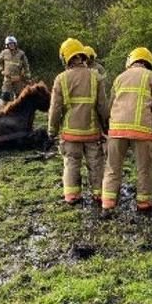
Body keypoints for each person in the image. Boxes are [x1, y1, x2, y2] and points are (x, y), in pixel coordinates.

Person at [101, 47, 152, 214]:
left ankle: (108, 202)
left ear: (130, 61)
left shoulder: (119, 78)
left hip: (116, 131)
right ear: (148, 62)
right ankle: (143, 204)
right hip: (142, 132)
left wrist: (110, 126)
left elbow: (110, 106)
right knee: (144, 169)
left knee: (112, 168)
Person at [47, 38, 109, 205]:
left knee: (71, 164)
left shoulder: (61, 79)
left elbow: (55, 109)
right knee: (96, 164)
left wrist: (52, 130)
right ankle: (99, 194)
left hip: (70, 134)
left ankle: (72, 196)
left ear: (65, 57)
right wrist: (106, 127)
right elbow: (103, 106)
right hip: (92, 132)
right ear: (82, 55)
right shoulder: (96, 77)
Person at [0, 36, 31, 103]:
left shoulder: (21, 54)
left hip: (18, 78)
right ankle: (5, 109)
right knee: (5, 95)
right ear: (7, 45)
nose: (11, 45)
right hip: (8, 77)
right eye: (9, 44)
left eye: (12, 44)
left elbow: (26, 66)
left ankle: (17, 110)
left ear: (15, 44)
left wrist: (27, 77)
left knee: (19, 96)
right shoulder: (4, 53)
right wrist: (1, 70)